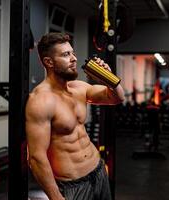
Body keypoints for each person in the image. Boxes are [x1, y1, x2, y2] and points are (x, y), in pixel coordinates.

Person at [25, 32, 125, 200]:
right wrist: (56, 197)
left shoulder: (79, 88)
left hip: (99, 172)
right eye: (66, 55)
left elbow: (117, 98)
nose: (74, 58)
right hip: (73, 185)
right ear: (49, 62)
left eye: (72, 53)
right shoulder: (41, 101)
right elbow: (36, 158)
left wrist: (109, 77)